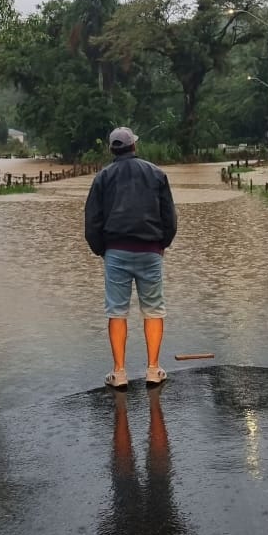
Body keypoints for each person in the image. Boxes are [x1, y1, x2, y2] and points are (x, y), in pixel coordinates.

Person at [84, 127, 177, 390]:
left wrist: (102, 249)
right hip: (150, 251)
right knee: (154, 310)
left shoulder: (103, 177)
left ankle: (119, 372)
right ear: (134, 146)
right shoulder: (157, 173)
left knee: (116, 311)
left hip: (116, 251)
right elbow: (169, 216)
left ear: (112, 150)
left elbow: (92, 220)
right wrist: (162, 244)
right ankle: (153, 369)